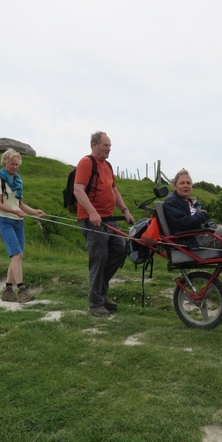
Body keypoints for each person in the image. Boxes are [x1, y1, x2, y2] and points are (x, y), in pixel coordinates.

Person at [74, 131, 135, 317]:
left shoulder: (107, 166)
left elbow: (113, 190)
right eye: (105, 145)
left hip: (108, 219)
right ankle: (96, 304)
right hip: (92, 220)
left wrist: (125, 210)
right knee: (99, 257)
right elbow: (78, 189)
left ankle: (100, 291)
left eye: (110, 146)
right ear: (94, 145)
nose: (109, 149)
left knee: (119, 251)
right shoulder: (86, 162)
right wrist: (92, 211)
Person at [0, 148, 45, 303]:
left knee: (17, 257)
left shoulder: (18, 180)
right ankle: (22, 290)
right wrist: (16, 211)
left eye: (17, 164)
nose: (15, 167)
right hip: (5, 220)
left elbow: (20, 204)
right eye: (12, 164)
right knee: (17, 255)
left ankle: (7, 290)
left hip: (18, 222)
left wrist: (35, 212)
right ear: (5, 163)